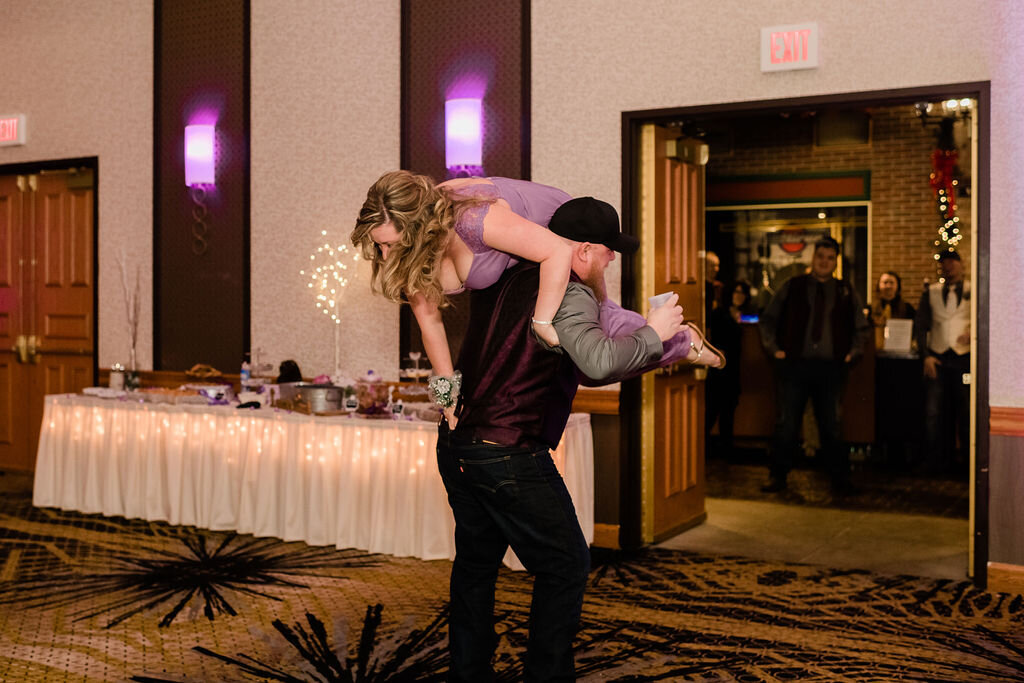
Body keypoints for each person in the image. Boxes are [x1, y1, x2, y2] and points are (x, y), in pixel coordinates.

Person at [437, 197, 687, 681]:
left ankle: (467, 673)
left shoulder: (501, 278)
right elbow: (595, 364)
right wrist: (655, 334)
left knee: (475, 565)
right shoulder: (570, 292)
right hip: (508, 452)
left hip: (459, 444)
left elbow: (574, 362)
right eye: (609, 251)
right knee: (566, 565)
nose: (613, 260)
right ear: (585, 250)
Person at [352, 171, 720, 420]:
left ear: (419, 229)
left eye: (389, 244)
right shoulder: (410, 257)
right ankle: (668, 338)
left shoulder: (475, 219)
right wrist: (447, 400)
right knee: (580, 367)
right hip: (515, 258)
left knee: (597, 335)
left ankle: (680, 339)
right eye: (379, 245)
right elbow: (429, 322)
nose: (385, 255)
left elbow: (557, 251)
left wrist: (543, 320)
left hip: (555, 235)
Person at [758, 237, 870, 495]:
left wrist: (853, 353)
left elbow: (860, 329)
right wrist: (775, 350)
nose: (824, 262)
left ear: (835, 262)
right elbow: (768, 320)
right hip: (794, 366)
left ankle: (840, 480)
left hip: (831, 368)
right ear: (813, 258)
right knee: (787, 424)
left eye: (830, 258)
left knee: (832, 424)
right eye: (820, 256)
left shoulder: (845, 290)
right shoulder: (792, 286)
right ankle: (778, 477)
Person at [914, 250, 970, 474]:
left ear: (961, 264)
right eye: (944, 263)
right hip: (937, 357)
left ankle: (968, 463)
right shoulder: (932, 292)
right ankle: (936, 463)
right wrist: (925, 355)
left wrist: (972, 332)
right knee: (934, 412)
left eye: (953, 262)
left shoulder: (973, 289)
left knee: (966, 411)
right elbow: (921, 325)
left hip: (965, 359)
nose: (949, 267)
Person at [706, 280, 753, 458]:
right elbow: (715, 340)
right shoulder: (719, 313)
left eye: (742, 293)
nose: (739, 296)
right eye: (736, 292)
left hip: (733, 370)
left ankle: (727, 450)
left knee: (729, 411)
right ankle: (704, 449)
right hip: (720, 369)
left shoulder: (744, 315)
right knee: (713, 411)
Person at [870, 271, 916, 349]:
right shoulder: (871, 309)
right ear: (879, 285)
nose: (888, 286)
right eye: (885, 282)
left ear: (898, 286)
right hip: (877, 352)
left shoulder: (907, 308)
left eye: (891, 283)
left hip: (901, 351)